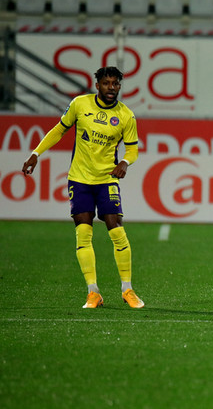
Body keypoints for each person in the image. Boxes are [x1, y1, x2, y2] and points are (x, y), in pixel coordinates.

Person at [21, 66, 144, 309]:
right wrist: (36, 153)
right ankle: (93, 292)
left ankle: (127, 289)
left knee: (116, 229)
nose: (111, 88)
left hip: (107, 179)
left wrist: (124, 162)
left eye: (116, 84)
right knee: (83, 231)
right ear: (97, 85)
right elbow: (59, 130)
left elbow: (133, 149)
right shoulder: (79, 104)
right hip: (79, 179)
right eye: (107, 83)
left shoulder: (126, 115)